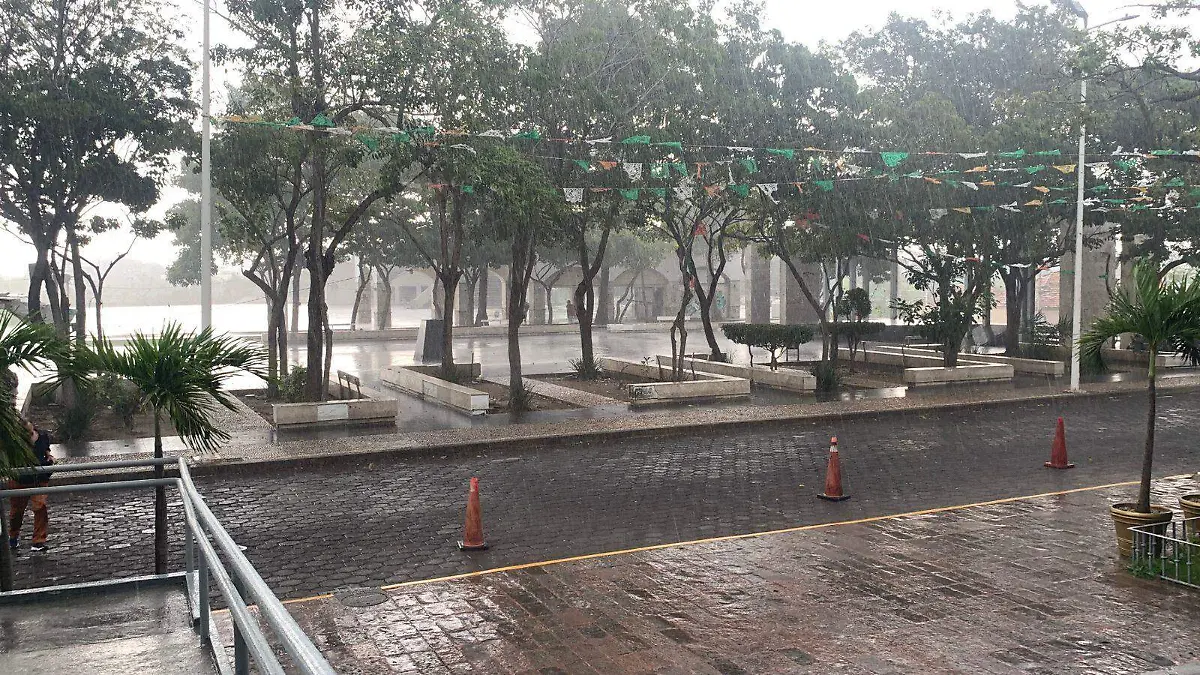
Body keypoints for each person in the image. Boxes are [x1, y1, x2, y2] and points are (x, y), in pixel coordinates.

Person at [8, 418, 53, 552]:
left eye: (30, 432)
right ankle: (13, 535)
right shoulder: (14, 443)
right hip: (20, 479)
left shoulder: (42, 436)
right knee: (17, 512)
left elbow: (45, 448)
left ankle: (38, 541)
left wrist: (49, 456)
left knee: (40, 507)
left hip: (39, 478)